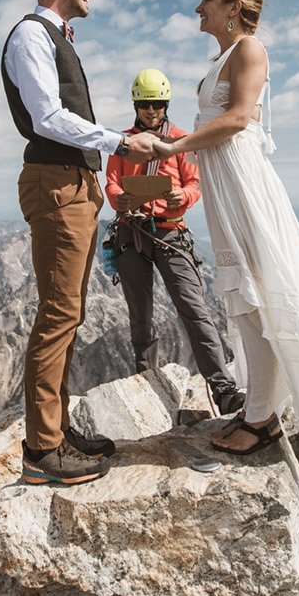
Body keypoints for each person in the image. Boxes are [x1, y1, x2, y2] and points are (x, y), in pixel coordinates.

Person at [152, 0, 299, 455]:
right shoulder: (223, 57)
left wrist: (173, 145)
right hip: (224, 181)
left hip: (241, 181)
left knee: (257, 288)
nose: (197, 6)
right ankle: (258, 407)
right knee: (245, 293)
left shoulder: (250, 49)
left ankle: (262, 419)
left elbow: (240, 117)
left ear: (233, 7)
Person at [1, 0, 162, 486]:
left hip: (73, 184)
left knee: (69, 313)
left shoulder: (57, 38)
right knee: (58, 314)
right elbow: (47, 117)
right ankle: (43, 448)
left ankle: (58, 431)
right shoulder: (31, 35)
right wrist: (119, 142)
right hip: (56, 184)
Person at [105, 68, 245, 416]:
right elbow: (110, 182)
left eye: (158, 104)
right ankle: (146, 382)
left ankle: (224, 389)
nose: (152, 111)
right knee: (141, 317)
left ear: (166, 104)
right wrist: (119, 199)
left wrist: (180, 197)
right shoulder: (122, 143)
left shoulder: (182, 140)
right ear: (136, 104)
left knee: (194, 309)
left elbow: (194, 184)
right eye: (145, 104)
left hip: (169, 230)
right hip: (132, 231)